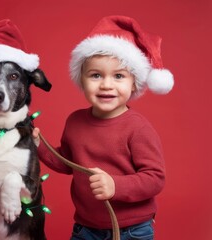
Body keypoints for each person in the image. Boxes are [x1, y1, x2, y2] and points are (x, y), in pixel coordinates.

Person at [33, 15, 174, 240]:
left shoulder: (138, 128)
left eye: (118, 76)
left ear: (134, 83)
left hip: (132, 229)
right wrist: (39, 145)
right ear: (82, 79)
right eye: (96, 75)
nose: (106, 84)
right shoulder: (75, 121)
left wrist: (115, 185)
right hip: (86, 227)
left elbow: (155, 178)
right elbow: (68, 162)